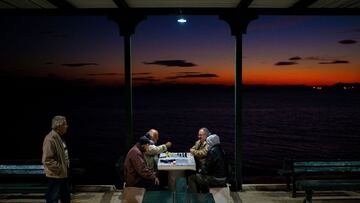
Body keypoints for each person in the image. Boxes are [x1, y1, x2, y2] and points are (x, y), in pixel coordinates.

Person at [42, 115, 71, 203]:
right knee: (53, 198)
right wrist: (59, 168)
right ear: (59, 126)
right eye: (65, 124)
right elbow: (47, 160)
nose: (67, 126)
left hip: (63, 174)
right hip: (55, 175)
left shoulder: (59, 137)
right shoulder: (50, 139)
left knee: (65, 197)